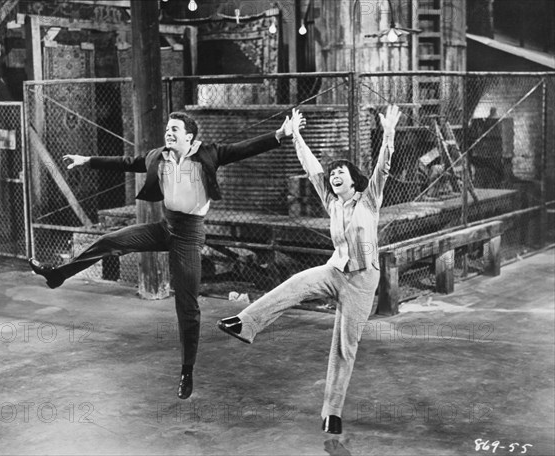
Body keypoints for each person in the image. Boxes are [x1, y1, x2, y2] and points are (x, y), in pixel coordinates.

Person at [29, 111, 302, 400]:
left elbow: (242, 149)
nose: (168, 133)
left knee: (187, 305)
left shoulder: (208, 154)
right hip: (164, 226)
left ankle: (187, 370)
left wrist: (279, 135)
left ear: (189, 136)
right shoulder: (160, 156)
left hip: (189, 235)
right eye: (167, 129)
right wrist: (87, 160)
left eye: (175, 130)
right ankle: (58, 274)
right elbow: (128, 163)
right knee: (110, 240)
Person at [217, 105, 402, 434]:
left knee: (345, 345)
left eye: (340, 171)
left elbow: (383, 168)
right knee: (295, 284)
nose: (334, 175)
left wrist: (388, 134)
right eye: (333, 173)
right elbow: (312, 167)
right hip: (334, 271)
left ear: (353, 178)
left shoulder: (369, 199)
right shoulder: (331, 202)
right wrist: (297, 135)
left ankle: (332, 412)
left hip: (362, 281)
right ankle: (246, 324)